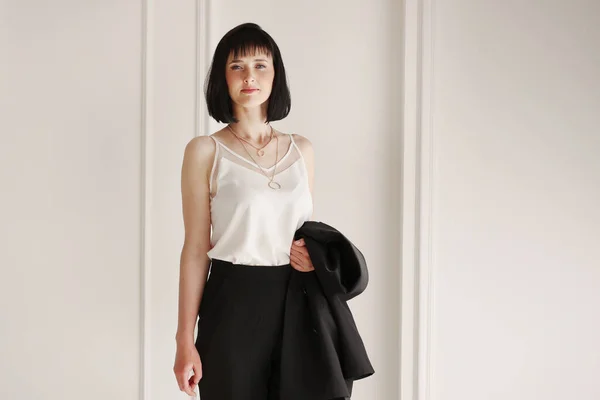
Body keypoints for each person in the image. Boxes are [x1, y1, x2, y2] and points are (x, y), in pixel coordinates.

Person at [173, 22, 319, 400]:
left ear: (276, 75)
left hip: (297, 302)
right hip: (232, 303)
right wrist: (184, 340)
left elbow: (304, 233)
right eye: (237, 66)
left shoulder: (302, 150)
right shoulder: (204, 150)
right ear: (224, 77)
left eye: (260, 65)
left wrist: (311, 256)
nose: (249, 76)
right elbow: (194, 249)